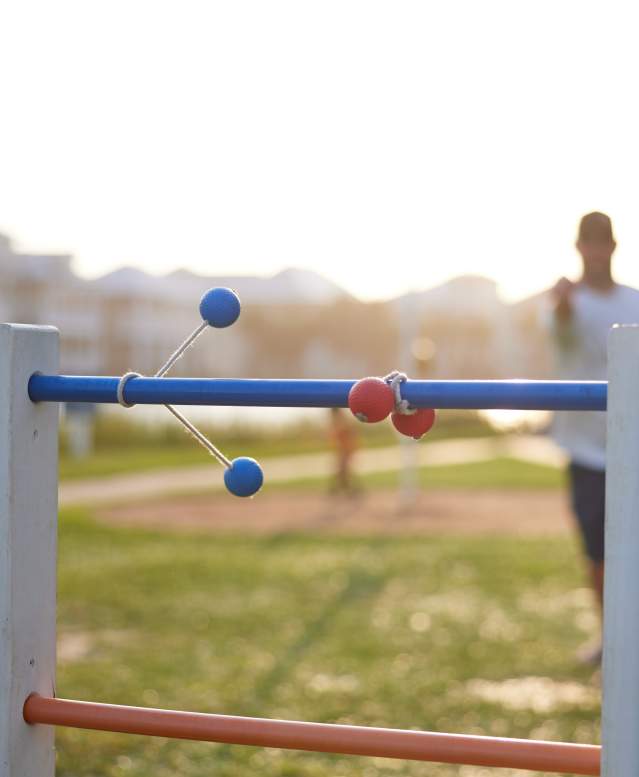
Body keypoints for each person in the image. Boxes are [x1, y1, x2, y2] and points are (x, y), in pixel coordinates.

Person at [547, 212, 639, 663]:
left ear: (614, 247)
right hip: (585, 450)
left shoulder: (635, 301)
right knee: (597, 551)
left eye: (604, 243)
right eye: (590, 243)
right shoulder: (568, 303)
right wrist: (562, 306)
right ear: (580, 247)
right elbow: (561, 333)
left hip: (634, 445)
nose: (598, 251)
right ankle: (610, 637)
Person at [327, 407, 360, 495]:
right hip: (342, 450)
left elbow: (348, 432)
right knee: (342, 470)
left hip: (346, 450)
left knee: (343, 470)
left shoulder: (342, 420)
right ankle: (342, 489)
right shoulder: (337, 420)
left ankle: (345, 489)